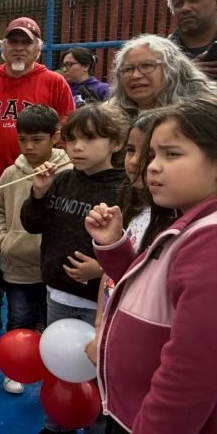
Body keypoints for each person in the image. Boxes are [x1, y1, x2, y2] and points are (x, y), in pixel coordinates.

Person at [86, 97, 217, 433]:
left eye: (171, 154)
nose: (153, 167)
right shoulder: (186, 223)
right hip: (131, 411)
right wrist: (115, 247)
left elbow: (192, 372)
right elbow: (152, 294)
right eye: (153, 155)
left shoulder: (209, 240)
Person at [20, 103, 128, 434]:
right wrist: (38, 194)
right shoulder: (62, 179)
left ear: (116, 144)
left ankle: (96, 425)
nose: (77, 147)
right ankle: (57, 422)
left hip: (100, 304)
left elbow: (136, 248)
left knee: (97, 370)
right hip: (57, 294)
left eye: (90, 139)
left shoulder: (124, 189)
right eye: (71, 139)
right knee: (60, 366)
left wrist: (103, 266)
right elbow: (32, 224)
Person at [0, 16, 75, 332]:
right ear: (3, 46)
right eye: (12, 41)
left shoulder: (54, 82)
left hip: (41, 183)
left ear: (37, 48)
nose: (18, 48)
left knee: (38, 247)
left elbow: (66, 133)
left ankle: (42, 317)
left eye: (25, 42)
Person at [83, 112, 175, 365]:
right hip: (113, 329)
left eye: (151, 153)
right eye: (131, 150)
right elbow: (114, 277)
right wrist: (101, 325)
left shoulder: (178, 226)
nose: (135, 162)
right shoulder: (134, 206)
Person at [0, 105, 72, 394]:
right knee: (18, 318)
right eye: (22, 139)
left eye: (37, 139)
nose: (28, 146)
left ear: (55, 136)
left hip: (55, 269)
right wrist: (4, 239)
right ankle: (15, 368)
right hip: (16, 266)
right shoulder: (9, 174)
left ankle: (52, 370)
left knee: (52, 323)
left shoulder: (69, 173)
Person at [109, 34, 214, 118]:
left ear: (173, 69)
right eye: (128, 69)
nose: (135, 76)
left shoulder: (204, 116)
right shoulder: (108, 121)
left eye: (147, 65)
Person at [165, 0, 217, 79]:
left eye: (194, 0)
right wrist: (186, 75)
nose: (185, 8)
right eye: (178, 4)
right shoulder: (160, 55)